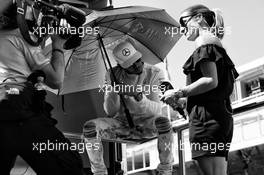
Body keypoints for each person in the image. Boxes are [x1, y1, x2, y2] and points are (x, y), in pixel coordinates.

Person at [0, 1, 83, 174]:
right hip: (21, 111)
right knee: (69, 167)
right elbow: (55, 80)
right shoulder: (20, 36)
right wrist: (58, 45)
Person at [161, 4, 239, 175]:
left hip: (206, 119)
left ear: (199, 18)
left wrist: (178, 92)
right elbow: (216, 87)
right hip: (218, 117)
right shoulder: (216, 43)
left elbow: (210, 81)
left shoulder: (203, 41)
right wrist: (183, 100)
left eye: (184, 22)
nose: (182, 29)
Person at [83, 40, 174, 175]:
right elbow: (110, 112)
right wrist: (113, 90)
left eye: (138, 60)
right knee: (89, 127)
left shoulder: (155, 72)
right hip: (121, 124)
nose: (137, 65)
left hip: (147, 123)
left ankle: (165, 170)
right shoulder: (112, 74)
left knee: (164, 122)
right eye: (131, 64)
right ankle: (99, 172)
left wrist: (138, 97)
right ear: (121, 65)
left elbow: (156, 110)